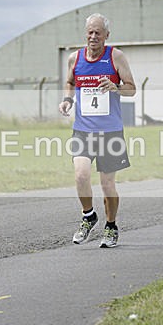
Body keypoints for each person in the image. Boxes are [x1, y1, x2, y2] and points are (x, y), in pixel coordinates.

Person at [58, 13, 136, 248]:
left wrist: (115, 87)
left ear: (106, 35)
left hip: (110, 132)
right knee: (81, 175)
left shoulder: (116, 57)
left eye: (98, 33)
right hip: (83, 130)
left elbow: (132, 89)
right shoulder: (75, 58)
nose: (93, 37)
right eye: (90, 32)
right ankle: (88, 215)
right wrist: (67, 100)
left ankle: (111, 226)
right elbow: (70, 82)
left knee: (107, 185)